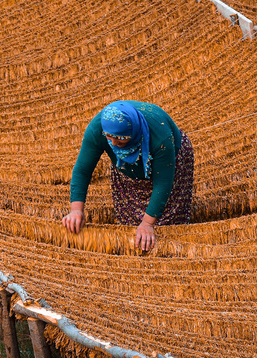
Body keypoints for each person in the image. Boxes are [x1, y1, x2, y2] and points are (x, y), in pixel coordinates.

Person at [62, 100, 193, 251]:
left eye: (121, 140)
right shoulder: (98, 129)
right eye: (110, 140)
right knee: (129, 216)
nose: (115, 145)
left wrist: (148, 224)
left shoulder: (160, 137)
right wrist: (76, 210)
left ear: (134, 132)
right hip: (128, 170)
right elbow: (82, 170)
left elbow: (163, 183)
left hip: (171, 158)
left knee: (168, 220)